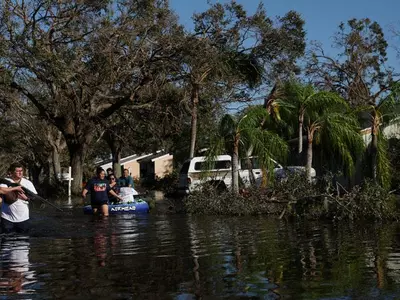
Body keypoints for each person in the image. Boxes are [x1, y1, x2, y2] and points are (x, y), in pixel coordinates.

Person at [0, 163, 37, 234]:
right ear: (12, 172)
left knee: (23, 241)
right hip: (7, 218)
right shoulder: (5, 181)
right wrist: (16, 188)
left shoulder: (28, 183)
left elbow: (35, 198)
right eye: (17, 171)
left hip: (23, 218)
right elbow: (1, 190)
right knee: (7, 241)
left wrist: (26, 198)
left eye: (21, 171)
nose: (20, 173)